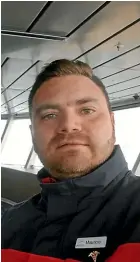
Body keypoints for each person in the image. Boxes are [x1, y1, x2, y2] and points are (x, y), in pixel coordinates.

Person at [2, 59, 140, 262]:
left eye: (87, 110)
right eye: (50, 115)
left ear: (112, 122)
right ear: (33, 133)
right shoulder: (8, 223)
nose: (68, 125)